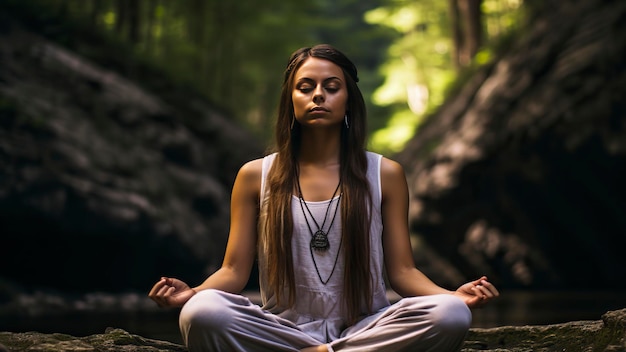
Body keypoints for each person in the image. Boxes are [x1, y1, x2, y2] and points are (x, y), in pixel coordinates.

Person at [149, 44, 499, 352]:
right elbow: (233, 271)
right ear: (291, 100)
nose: (318, 95)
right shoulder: (255, 176)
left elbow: (404, 272)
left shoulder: (385, 174)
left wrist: (454, 296)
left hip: (366, 328)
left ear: (348, 100)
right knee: (202, 314)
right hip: (281, 330)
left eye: (332, 88)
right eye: (306, 87)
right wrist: (192, 293)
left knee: (451, 315)